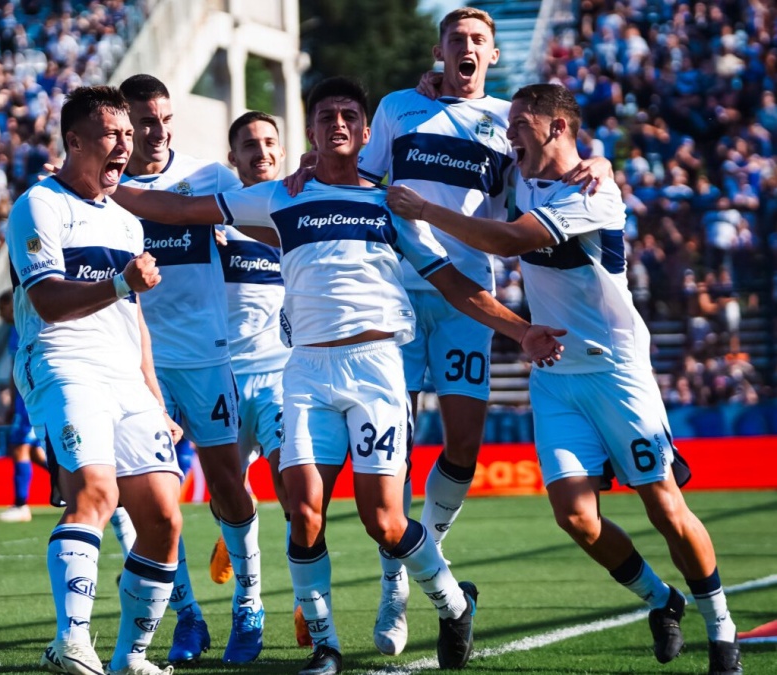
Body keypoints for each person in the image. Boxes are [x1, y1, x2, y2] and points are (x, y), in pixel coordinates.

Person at [112, 76, 565, 675]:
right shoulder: (280, 197)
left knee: (384, 519)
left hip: (376, 367)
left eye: (350, 114)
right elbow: (174, 207)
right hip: (305, 370)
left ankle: (452, 603)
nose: (339, 124)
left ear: (367, 130)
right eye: (326, 116)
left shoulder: (391, 202)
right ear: (313, 129)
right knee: (303, 508)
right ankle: (324, 645)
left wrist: (520, 330)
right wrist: (93, 180)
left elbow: (452, 282)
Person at [386, 82, 743, 675]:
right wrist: (435, 89)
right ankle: (663, 601)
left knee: (663, 505)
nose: (510, 135)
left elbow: (507, 241)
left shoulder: (595, 192)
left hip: (615, 369)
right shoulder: (520, 174)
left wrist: (423, 210)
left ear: (556, 128)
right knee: (574, 516)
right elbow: (470, 163)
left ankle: (722, 630)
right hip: (553, 371)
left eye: (522, 124)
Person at [350, 8, 608, 654]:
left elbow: (546, 173)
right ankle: (395, 583)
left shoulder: (506, 123)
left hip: (467, 295)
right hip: (398, 294)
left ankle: (426, 550)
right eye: (456, 38)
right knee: (396, 445)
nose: (465, 47)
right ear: (439, 50)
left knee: (463, 447)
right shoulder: (397, 108)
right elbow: (357, 185)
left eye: (477, 41)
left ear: (492, 55)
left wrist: (598, 163)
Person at [9, 85, 183, 675]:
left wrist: (156, 399)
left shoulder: (128, 223)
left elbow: (134, 322)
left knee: (164, 518)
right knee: (96, 494)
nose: (125, 146)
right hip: (61, 359)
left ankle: (131, 656)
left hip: (124, 377)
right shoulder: (39, 205)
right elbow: (49, 301)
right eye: (113, 135)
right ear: (74, 140)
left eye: (129, 136)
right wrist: (117, 283)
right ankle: (71, 640)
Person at [117, 74, 264, 667]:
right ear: (124, 125)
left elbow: (262, 227)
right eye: (144, 121)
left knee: (228, 485)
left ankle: (249, 605)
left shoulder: (211, 177)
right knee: (143, 499)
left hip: (207, 357)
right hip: (138, 363)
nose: (157, 131)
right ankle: (187, 616)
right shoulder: (103, 191)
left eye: (164, 119)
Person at [218, 110, 311, 647]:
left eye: (269, 142)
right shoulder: (216, 213)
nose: (261, 152)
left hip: (282, 374)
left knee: (296, 493)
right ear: (233, 158)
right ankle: (248, 601)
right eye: (249, 145)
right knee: (231, 498)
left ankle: (304, 602)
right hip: (224, 381)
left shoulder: (300, 206)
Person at [0, 289, 48, 523]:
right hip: (21, 400)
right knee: (35, 452)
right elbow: (14, 370)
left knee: (19, 446)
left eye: (3, 308)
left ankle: (21, 504)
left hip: (31, 398)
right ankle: (70, 486)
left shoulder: (26, 326)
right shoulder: (11, 333)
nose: (0, 313)